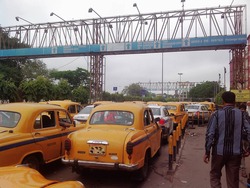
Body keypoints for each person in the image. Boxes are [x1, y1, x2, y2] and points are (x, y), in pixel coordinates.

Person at [203, 91, 250, 188]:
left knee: (215, 175)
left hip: (219, 152)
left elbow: (210, 134)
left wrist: (207, 151)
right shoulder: (241, 114)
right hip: (236, 153)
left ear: (223, 101)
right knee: (233, 180)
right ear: (234, 101)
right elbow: (249, 131)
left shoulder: (216, 114)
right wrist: (248, 148)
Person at [239, 103, 250, 178]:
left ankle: (243, 172)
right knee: (247, 152)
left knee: (242, 154)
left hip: (241, 137)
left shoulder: (237, 116)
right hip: (248, 137)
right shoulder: (248, 116)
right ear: (246, 108)